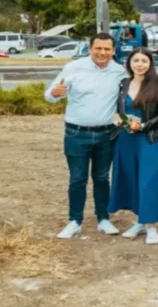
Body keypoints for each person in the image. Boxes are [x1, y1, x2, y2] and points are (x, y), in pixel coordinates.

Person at [45, 32, 126, 239]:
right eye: (98, 48)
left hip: (106, 134)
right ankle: (74, 221)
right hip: (76, 133)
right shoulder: (74, 67)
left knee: (101, 178)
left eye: (107, 49)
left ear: (113, 50)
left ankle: (103, 219)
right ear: (89, 48)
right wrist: (55, 93)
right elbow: (50, 94)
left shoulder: (119, 72)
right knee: (77, 179)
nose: (102, 52)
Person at [109, 48, 158, 245]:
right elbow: (119, 109)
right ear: (129, 63)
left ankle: (151, 226)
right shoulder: (123, 83)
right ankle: (140, 221)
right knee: (132, 179)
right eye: (136, 60)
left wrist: (143, 126)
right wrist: (118, 120)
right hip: (125, 138)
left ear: (150, 63)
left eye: (144, 61)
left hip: (148, 139)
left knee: (149, 180)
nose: (140, 64)